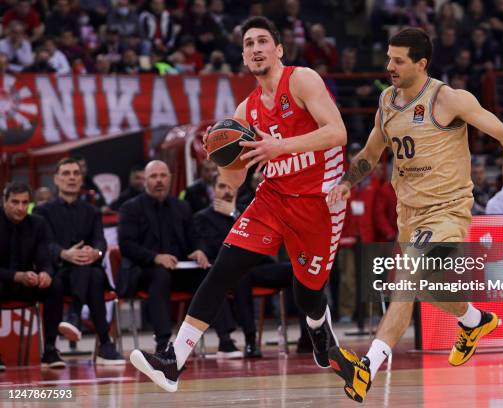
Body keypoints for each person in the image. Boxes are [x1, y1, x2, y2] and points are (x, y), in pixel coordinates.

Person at [325, 27, 503, 403]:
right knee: (427, 287)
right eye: (388, 58)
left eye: (398, 60)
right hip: (409, 213)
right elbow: (369, 154)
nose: (389, 66)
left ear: (421, 63)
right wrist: (347, 181)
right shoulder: (386, 100)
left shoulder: (448, 99)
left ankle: (367, 366)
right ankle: (475, 321)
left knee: (407, 277)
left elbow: (501, 129)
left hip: (446, 210)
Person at [129, 16, 347, 392]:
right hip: (274, 197)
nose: (256, 48)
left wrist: (280, 146)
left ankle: (318, 326)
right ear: (244, 57)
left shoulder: (302, 79)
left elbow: (337, 132)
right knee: (224, 268)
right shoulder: (244, 112)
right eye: (249, 44)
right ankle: (173, 362)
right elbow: (235, 178)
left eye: (263, 41)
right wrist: (220, 163)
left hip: (319, 200)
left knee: (308, 292)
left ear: (278, 50)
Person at [118, 160, 241, 357]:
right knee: (160, 276)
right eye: (153, 176)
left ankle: (225, 340)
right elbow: (126, 245)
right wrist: (155, 257)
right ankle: (163, 342)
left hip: (180, 269)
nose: (159, 180)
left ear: (170, 179)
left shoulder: (182, 206)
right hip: (144, 270)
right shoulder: (130, 208)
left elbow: (194, 236)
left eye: (163, 175)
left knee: (209, 275)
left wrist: (199, 250)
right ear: (145, 181)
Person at [193, 173, 312, 357]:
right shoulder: (202, 217)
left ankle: (308, 336)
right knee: (242, 276)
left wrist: (234, 213)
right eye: (222, 187)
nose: (227, 191)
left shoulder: (246, 209)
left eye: (230, 187)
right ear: (212, 190)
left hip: (260, 265)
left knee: (300, 270)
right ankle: (250, 341)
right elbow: (218, 247)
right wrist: (232, 216)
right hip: (230, 271)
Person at [34, 158, 124, 365]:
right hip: (58, 271)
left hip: (87, 268)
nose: (71, 177)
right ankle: (104, 344)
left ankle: (69, 323)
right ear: (56, 179)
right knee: (83, 277)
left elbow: (100, 241)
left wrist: (96, 253)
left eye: (75, 173)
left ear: (81, 179)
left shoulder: (92, 211)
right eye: (66, 173)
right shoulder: (43, 211)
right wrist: (64, 254)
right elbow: (44, 244)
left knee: (92, 273)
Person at [0, 182, 68, 369]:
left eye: (25, 203)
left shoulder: (37, 223)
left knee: (55, 285)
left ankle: (50, 349)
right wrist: (16, 276)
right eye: (15, 202)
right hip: (4, 281)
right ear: (4, 201)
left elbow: (45, 257)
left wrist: (45, 273)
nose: (21, 208)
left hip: (26, 284)